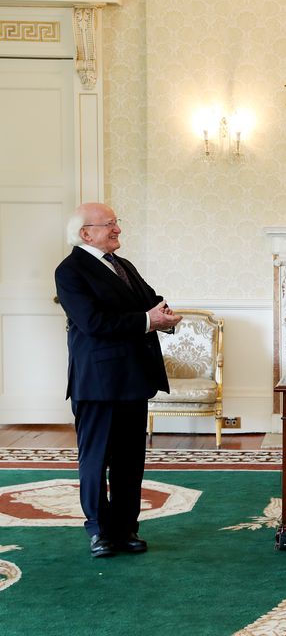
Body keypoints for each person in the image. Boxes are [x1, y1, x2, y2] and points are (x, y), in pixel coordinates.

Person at [54, 203, 182, 558]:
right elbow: (93, 323)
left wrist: (166, 315)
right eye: (109, 224)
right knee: (96, 459)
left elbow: (149, 301)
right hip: (97, 381)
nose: (117, 230)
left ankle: (126, 530)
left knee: (129, 461)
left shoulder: (122, 265)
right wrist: (147, 321)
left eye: (116, 223)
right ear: (86, 233)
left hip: (132, 378)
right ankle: (99, 531)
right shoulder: (70, 271)